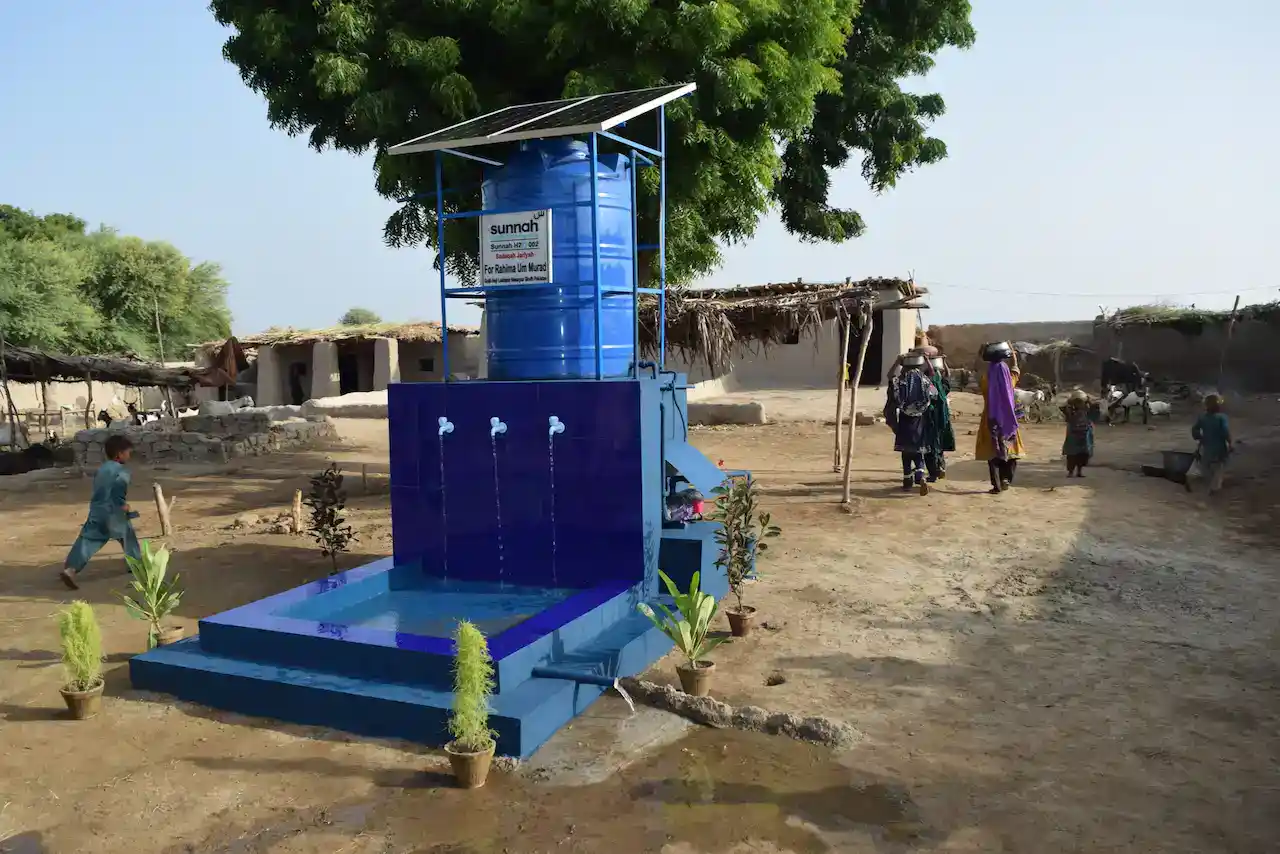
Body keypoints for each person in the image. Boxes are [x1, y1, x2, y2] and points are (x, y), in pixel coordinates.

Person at [60, 434, 142, 590]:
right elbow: (118, 491)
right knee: (127, 536)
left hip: (97, 510)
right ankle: (136, 565)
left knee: (87, 541)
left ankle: (70, 570)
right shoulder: (121, 471)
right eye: (128, 452)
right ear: (120, 454)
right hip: (114, 511)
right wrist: (122, 505)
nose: (129, 455)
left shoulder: (102, 469)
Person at [884, 352, 938, 495]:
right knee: (919, 451)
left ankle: (907, 481)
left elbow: (890, 377)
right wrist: (927, 360)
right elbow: (934, 391)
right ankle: (920, 477)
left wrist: (897, 361)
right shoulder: (925, 380)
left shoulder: (902, 381)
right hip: (920, 421)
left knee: (906, 452)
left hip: (904, 421)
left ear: (904, 366)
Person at [976, 343, 1024, 494]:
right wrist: (1014, 357)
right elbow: (1016, 371)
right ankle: (1006, 479)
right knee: (1010, 451)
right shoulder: (1010, 380)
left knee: (993, 453)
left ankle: (996, 485)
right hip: (1008, 420)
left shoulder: (985, 380)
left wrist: (981, 354)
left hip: (990, 420)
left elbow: (979, 371)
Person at [1189, 393, 1232, 494]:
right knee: (1219, 466)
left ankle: (1209, 485)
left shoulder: (1202, 417)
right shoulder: (1222, 418)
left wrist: (1199, 437)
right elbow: (1225, 431)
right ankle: (1215, 488)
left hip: (1206, 446)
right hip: (1220, 446)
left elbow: (1194, 429)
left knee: (1206, 465)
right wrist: (1230, 443)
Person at [922, 355, 955, 481]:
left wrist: (926, 361)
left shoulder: (931, 387)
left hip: (933, 419)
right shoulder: (943, 387)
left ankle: (933, 474)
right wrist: (944, 361)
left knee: (931, 447)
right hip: (944, 420)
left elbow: (932, 374)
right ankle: (941, 468)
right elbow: (948, 373)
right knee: (940, 446)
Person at [1062, 390, 1094, 477]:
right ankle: (1071, 472)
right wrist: (1069, 402)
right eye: (1077, 402)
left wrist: (1087, 400)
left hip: (1084, 434)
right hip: (1074, 435)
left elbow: (1093, 407)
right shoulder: (1069, 411)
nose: (1079, 404)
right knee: (1072, 455)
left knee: (1082, 455)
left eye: (1080, 402)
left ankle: (1079, 471)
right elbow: (1063, 407)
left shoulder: (1087, 410)